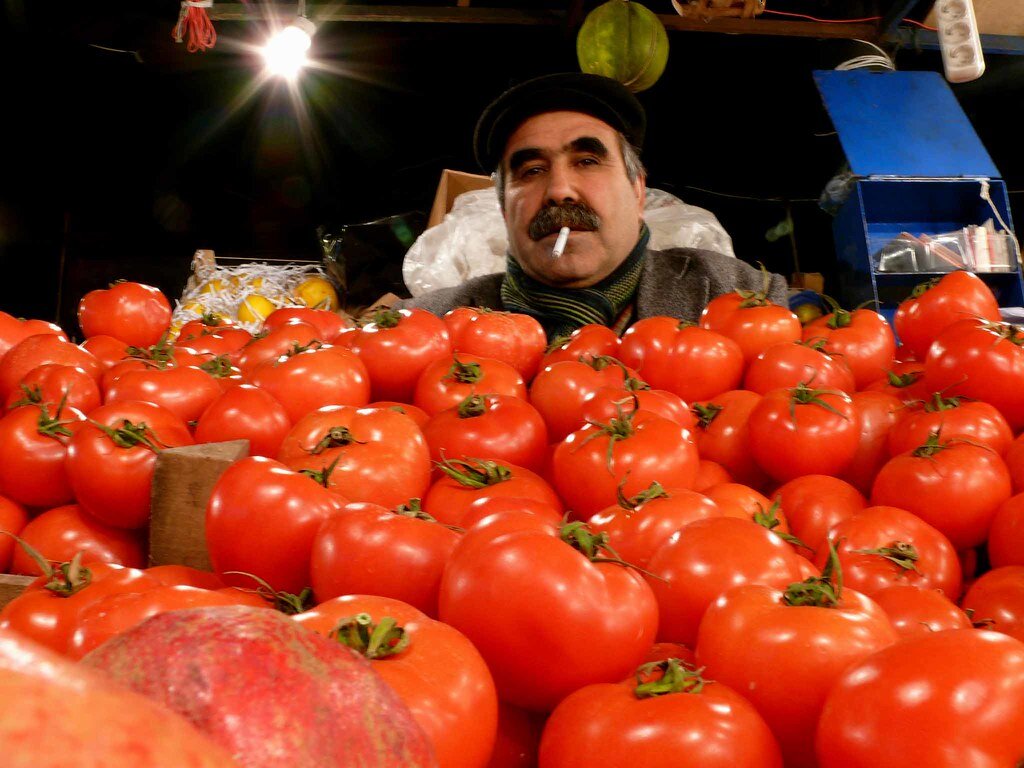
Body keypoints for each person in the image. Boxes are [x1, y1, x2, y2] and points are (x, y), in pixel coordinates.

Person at [395, 72, 788, 338]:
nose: (559, 190)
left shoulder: (740, 298)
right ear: (502, 210)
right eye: (531, 171)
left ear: (637, 192)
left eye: (587, 161)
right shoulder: (428, 328)